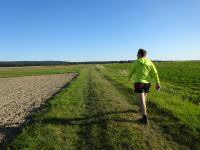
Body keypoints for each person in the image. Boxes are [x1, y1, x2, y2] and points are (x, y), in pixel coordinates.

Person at [128, 49, 161, 125]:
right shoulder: (150, 62)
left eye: (137, 54)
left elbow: (131, 71)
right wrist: (157, 83)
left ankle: (144, 118)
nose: (136, 55)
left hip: (139, 83)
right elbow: (155, 73)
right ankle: (141, 109)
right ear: (145, 55)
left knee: (141, 100)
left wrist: (129, 78)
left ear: (139, 54)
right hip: (147, 83)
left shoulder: (136, 62)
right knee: (144, 98)